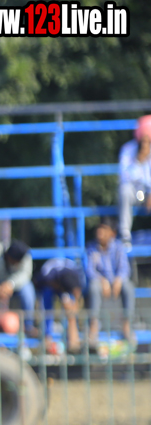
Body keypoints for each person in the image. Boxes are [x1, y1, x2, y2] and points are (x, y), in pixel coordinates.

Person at [87, 221, 134, 347]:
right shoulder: (92, 248)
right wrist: (102, 280)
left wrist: (118, 280)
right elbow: (90, 271)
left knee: (128, 287)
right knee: (93, 287)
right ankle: (94, 325)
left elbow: (125, 269)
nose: (100, 233)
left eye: (104, 229)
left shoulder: (118, 247)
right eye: (99, 229)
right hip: (100, 282)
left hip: (116, 281)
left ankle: (127, 324)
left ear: (112, 233)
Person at [35, 256, 84, 352]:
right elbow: (39, 284)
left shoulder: (76, 273)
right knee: (47, 295)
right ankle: (47, 335)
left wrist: (74, 303)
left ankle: (73, 340)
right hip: (49, 285)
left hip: (63, 283)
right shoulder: (48, 273)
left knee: (71, 306)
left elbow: (77, 291)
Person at [118, 115, 151, 245]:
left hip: (148, 193)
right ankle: (125, 236)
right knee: (124, 191)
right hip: (133, 192)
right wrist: (139, 160)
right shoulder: (127, 149)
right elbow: (125, 178)